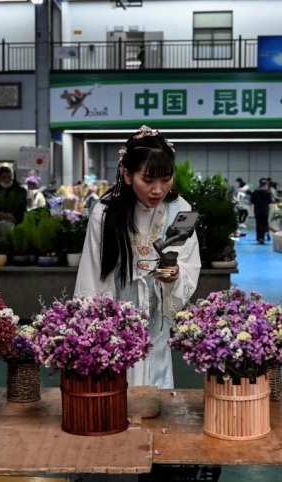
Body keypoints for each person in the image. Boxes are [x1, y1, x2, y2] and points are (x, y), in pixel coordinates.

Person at [74, 125, 201, 389]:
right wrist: (97, 332)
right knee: (115, 395)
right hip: (114, 330)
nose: (158, 190)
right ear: (127, 175)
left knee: (156, 396)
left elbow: (188, 264)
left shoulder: (180, 210)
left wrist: (173, 277)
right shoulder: (105, 213)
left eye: (165, 179)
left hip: (156, 323)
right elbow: (92, 275)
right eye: (148, 180)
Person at [250, 178, 273, 244]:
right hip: (265, 210)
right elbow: (270, 201)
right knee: (263, 224)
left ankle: (258, 237)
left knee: (258, 224)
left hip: (257, 210)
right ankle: (262, 238)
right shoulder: (267, 192)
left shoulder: (255, 191)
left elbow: (252, 201)